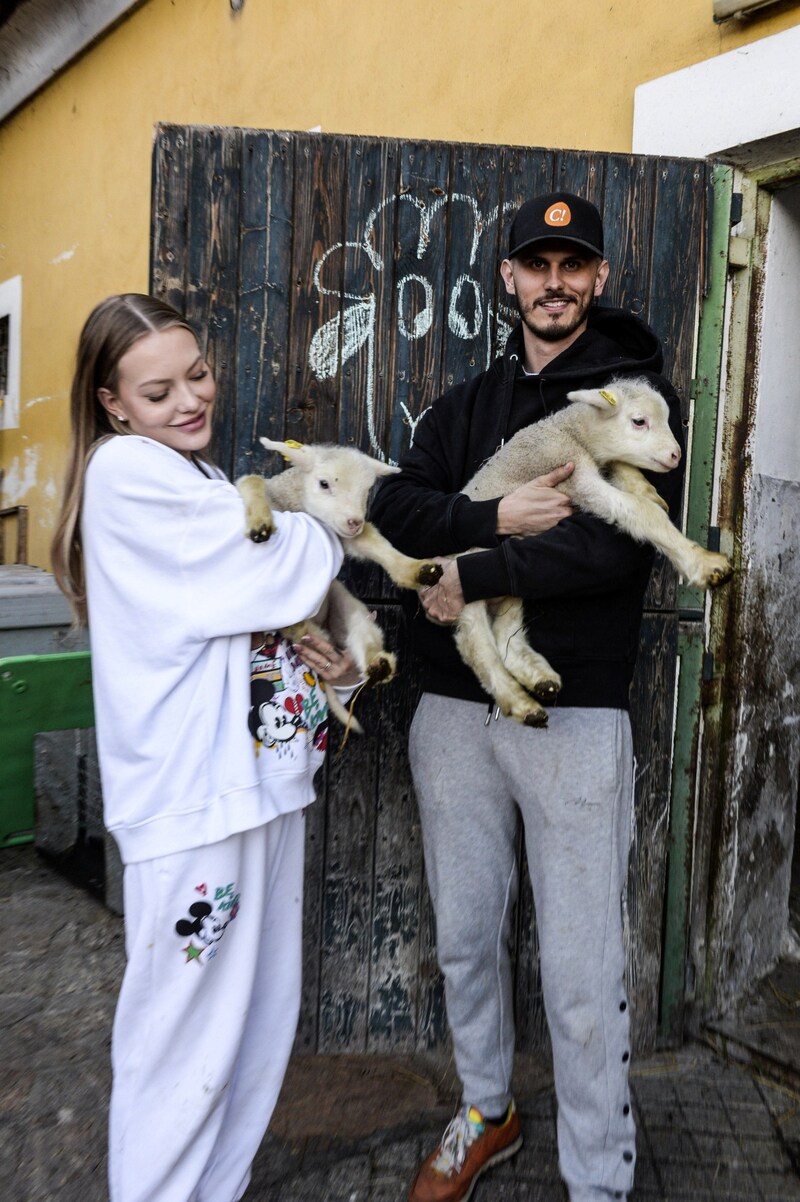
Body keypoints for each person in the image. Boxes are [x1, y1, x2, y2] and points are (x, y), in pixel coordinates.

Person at [370, 192, 686, 1202]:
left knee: (582, 961)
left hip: (576, 710)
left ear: (594, 279)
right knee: (465, 931)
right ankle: (486, 1108)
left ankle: (595, 1174)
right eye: (533, 263)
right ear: (506, 277)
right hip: (452, 708)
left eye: (571, 264)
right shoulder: (462, 405)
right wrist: (492, 514)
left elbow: (611, 548)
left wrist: (476, 569)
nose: (552, 281)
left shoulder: (632, 398)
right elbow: (394, 506)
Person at [51, 293, 360, 1202]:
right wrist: (316, 525)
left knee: (254, 1032)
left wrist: (323, 660)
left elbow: (251, 610)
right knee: (182, 1041)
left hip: (254, 787)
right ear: (112, 404)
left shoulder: (198, 478)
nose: (189, 400)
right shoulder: (128, 475)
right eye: (157, 392)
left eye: (197, 375)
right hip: (195, 803)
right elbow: (281, 562)